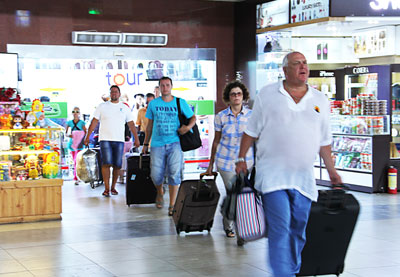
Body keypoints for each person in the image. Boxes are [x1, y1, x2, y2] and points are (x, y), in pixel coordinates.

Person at [235, 51, 342, 276]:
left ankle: (292, 269)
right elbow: (251, 131)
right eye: (296, 64)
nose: (303, 67)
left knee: (298, 228)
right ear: (285, 70)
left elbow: (324, 142)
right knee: (280, 228)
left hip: (303, 179)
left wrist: (332, 171)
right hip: (272, 176)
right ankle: (282, 273)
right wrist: (241, 158)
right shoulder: (267, 95)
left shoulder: (320, 100)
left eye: (305, 63)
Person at [205, 80, 253, 238]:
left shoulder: (251, 116)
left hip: (247, 162)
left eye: (239, 93)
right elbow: (216, 141)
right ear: (229, 97)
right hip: (225, 162)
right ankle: (231, 226)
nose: (236, 97)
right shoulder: (221, 117)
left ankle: (235, 224)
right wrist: (210, 164)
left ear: (243, 96)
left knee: (242, 195)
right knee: (233, 192)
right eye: (233, 94)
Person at [142, 77, 196, 216]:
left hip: (175, 143)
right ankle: (160, 191)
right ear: (159, 87)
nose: (165, 88)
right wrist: (145, 144)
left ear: (171, 86)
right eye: (162, 85)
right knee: (155, 175)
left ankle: (172, 204)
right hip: (157, 144)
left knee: (174, 173)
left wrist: (187, 127)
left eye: (167, 85)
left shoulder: (180, 102)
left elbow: (193, 117)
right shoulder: (153, 104)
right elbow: (149, 126)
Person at [84, 85, 140, 197]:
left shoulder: (125, 108)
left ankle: (113, 187)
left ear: (119, 94)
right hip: (105, 139)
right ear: (110, 94)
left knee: (117, 165)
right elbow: (94, 122)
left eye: (116, 92)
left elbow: (131, 124)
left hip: (119, 140)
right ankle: (106, 188)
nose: (114, 93)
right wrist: (87, 136)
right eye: (112, 92)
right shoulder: (102, 106)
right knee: (106, 163)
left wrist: (136, 139)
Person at [65, 107, 87, 185]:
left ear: (79, 113)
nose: (75, 113)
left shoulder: (82, 123)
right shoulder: (69, 123)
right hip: (72, 143)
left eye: (77, 111)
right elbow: (66, 133)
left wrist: (82, 138)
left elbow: (85, 132)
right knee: (74, 161)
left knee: (78, 161)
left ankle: (78, 176)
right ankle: (76, 177)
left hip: (80, 144)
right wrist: (71, 135)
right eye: (74, 111)